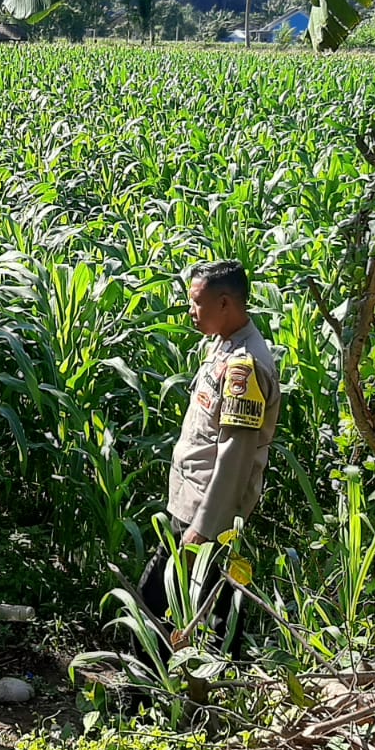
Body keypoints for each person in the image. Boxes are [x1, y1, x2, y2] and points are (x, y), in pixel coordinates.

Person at [138, 259, 281, 655]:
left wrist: (204, 526)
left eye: (196, 303)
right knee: (209, 608)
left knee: (156, 602)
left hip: (205, 510)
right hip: (194, 503)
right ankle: (209, 694)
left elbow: (235, 456)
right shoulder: (224, 345)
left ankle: (141, 696)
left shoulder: (244, 367)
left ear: (224, 304)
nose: (190, 311)